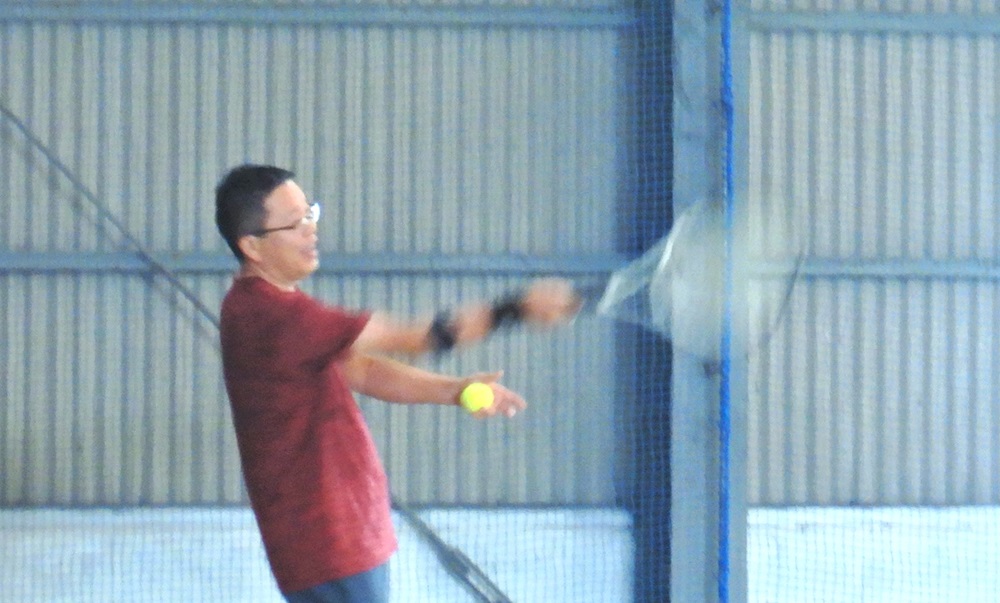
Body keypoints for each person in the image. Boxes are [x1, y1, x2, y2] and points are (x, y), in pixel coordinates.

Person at [214, 164, 580, 602]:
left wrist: (455, 390)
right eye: (295, 223)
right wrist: (515, 309)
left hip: (340, 541)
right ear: (252, 245)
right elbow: (420, 336)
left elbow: (363, 371)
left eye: (311, 213)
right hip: (328, 544)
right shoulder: (275, 317)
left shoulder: (262, 310)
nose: (311, 230)